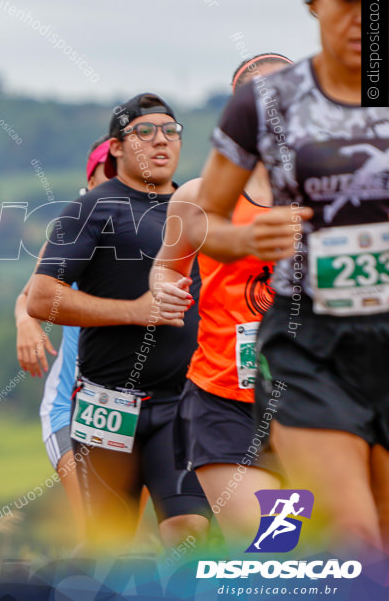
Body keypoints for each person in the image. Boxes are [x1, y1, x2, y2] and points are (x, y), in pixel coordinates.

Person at [195, 0, 389, 553]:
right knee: (353, 541)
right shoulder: (265, 104)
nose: (364, 16)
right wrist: (249, 241)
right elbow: (206, 224)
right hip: (311, 350)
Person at [27, 93, 210, 554]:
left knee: (189, 530)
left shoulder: (196, 208)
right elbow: (42, 299)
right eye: (144, 132)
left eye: (171, 131)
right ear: (116, 147)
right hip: (108, 406)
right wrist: (135, 310)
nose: (160, 141)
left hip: (182, 403)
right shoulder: (93, 208)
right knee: (107, 549)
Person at [151, 53, 292, 552]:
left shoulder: (341, 190)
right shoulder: (196, 196)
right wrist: (164, 291)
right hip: (225, 399)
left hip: (319, 397)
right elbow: (165, 270)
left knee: (337, 551)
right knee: (271, 547)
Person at [15, 136, 114, 546]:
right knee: (98, 527)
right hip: (73, 406)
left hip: (150, 404)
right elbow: (29, 295)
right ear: (89, 182)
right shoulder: (73, 233)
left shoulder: (165, 231)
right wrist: (26, 323)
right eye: (108, 176)